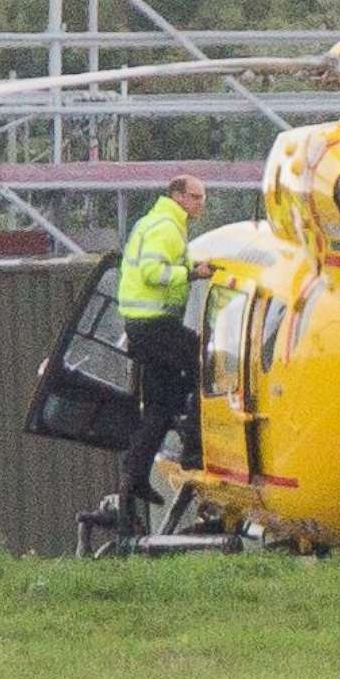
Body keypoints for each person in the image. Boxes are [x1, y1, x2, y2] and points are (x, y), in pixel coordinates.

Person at [116, 175, 215, 506]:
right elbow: (151, 273)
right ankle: (195, 447)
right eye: (195, 196)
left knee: (159, 406)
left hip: (144, 326)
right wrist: (192, 273)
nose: (200, 203)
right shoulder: (166, 226)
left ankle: (134, 475)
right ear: (178, 196)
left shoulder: (159, 222)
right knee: (206, 361)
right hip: (153, 323)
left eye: (203, 197)